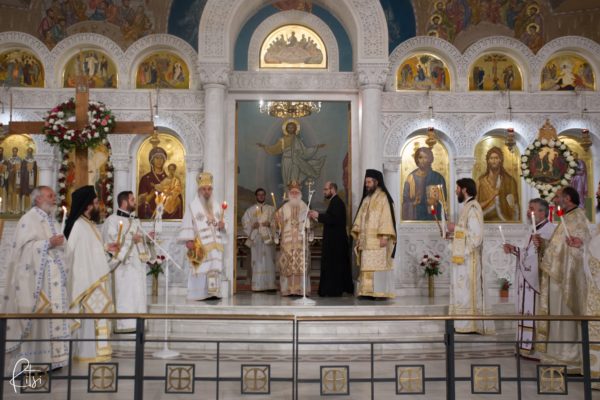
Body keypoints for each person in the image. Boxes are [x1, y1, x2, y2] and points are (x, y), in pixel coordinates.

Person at [2, 186, 70, 370]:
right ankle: (33, 363)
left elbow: (61, 248)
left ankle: (53, 361)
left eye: (54, 195)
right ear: (38, 199)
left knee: (51, 319)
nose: (55, 198)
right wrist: (48, 243)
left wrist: (60, 245)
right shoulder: (28, 219)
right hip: (37, 283)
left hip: (52, 281)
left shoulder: (51, 220)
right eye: (50, 196)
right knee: (38, 322)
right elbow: (23, 250)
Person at [538, 186, 591, 373]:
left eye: (557, 196)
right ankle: (557, 353)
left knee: (566, 315)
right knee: (557, 314)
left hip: (567, 277)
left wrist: (578, 245)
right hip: (556, 274)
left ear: (567, 198)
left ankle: (570, 357)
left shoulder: (579, 217)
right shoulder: (566, 218)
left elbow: (584, 246)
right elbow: (557, 246)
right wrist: (543, 244)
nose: (554, 199)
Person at [64, 185, 118, 362]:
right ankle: (87, 353)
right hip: (87, 282)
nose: (98, 206)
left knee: (99, 313)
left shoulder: (90, 225)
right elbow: (72, 254)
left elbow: (92, 249)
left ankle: (99, 352)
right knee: (90, 316)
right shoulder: (78, 226)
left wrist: (107, 248)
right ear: (87, 205)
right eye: (95, 202)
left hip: (96, 279)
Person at [503, 198, 555, 359]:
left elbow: (545, 256)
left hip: (537, 280)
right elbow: (528, 253)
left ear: (543, 212)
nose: (528, 211)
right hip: (527, 278)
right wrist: (514, 249)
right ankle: (524, 346)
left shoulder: (550, 231)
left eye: (532, 208)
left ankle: (534, 348)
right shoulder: (532, 230)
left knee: (535, 310)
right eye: (529, 208)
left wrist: (522, 252)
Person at [447, 178, 491, 334]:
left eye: (457, 188)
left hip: (469, 260)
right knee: (461, 292)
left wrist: (455, 228)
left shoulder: (473, 208)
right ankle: (461, 324)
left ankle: (470, 324)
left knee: (467, 292)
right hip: (462, 259)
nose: (456, 191)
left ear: (464, 189)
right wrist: (452, 234)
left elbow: (476, 237)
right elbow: (465, 232)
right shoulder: (467, 207)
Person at [102, 191, 147, 333]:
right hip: (122, 266)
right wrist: (130, 240)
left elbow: (140, 241)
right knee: (125, 294)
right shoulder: (112, 220)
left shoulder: (136, 220)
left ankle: (138, 323)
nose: (135, 202)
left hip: (136, 265)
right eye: (132, 199)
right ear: (124, 202)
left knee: (137, 293)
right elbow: (110, 242)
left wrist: (146, 238)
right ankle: (124, 324)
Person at [179, 172, 226, 300]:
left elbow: (222, 224)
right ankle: (199, 294)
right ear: (199, 190)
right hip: (199, 243)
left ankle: (213, 292)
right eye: (204, 189)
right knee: (201, 268)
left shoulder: (216, 206)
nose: (207, 192)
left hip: (215, 244)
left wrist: (223, 226)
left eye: (209, 189)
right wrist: (188, 240)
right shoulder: (192, 206)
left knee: (213, 268)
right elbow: (187, 222)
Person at [351, 169, 397, 299]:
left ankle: (379, 292)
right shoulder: (366, 199)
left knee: (378, 267)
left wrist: (385, 236)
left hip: (378, 240)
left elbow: (386, 218)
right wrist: (358, 234)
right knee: (366, 267)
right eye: (366, 182)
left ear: (376, 182)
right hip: (366, 241)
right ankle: (366, 292)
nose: (366, 185)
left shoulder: (383, 198)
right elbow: (360, 218)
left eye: (369, 182)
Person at [309, 181, 354, 296]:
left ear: (332, 189)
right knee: (332, 265)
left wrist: (318, 215)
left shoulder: (337, 202)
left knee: (334, 266)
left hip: (336, 243)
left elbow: (333, 219)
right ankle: (331, 290)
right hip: (334, 241)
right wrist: (317, 217)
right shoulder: (334, 201)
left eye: (326, 189)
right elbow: (331, 218)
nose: (324, 192)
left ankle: (333, 290)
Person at [257, 118, 326, 188]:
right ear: (286, 129)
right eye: (289, 127)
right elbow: (274, 149)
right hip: (286, 161)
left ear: (295, 129)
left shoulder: (297, 140)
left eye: (292, 127)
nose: (290, 129)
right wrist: (264, 146)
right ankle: (287, 193)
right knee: (287, 179)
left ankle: (295, 191)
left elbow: (304, 151)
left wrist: (316, 147)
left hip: (296, 161)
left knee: (294, 179)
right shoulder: (283, 140)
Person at [275, 181, 314, 296]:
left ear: (300, 194)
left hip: (301, 242)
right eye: (292, 193)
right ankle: (287, 289)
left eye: (296, 192)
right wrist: (277, 221)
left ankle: (301, 290)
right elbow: (277, 223)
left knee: (301, 265)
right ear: (289, 194)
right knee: (287, 265)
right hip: (287, 242)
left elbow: (310, 223)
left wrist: (309, 221)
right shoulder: (284, 207)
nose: (294, 195)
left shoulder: (304, 206)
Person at [242, 188, 277, 291]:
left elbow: (277, 222)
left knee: (269, 261)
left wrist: (270, 224)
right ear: (256, 196)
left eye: (262, 195)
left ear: (265, 196)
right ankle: (257, 285)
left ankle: (270, 285)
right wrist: (252, 225)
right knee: (257, 261)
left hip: (268, 239)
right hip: (256, 239)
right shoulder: (250, 210)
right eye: (259, 195)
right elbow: (245, 222)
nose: (261, 196)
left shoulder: (271, 209)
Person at [402, 147, 447, 220]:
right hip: (416, 217)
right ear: (417, 159)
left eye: (426, 157)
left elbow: (443, 202)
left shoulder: (438, 178)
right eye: (420, 157)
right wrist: (414, 203)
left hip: (433, 216)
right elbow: (405, 202)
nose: (423, 160)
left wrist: (434, 202)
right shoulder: (410, 178)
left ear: (430, 159)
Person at [477, 147, 520, 222]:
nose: (494, 161)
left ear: (500, 160)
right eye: (491, 158)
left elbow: (515, 205)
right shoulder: (481, 182)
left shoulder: (509, 181)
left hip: (505, 219)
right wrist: (492, 197)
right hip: (484, 219)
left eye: (496, 158)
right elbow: (476, 205)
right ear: (488, 161)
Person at [138, 146, 168, 219]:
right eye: (156, 158)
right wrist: (152, 193)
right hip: (150, 215)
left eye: (161, 158)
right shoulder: (145, 179)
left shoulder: (169, 179)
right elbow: (141, 202)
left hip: (166, 214)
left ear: (164, 160)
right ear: (152, 160)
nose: (159, 160)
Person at [19, 147, 37, 212]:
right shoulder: (24, 160)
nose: (29, 153)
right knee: (25, 192)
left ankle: (31, 208)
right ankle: (23, 208)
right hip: (25, 179)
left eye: (30, 152)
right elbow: (22, 169)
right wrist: (27, 169)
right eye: (28, 152)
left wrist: (32, 170)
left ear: (32, 152)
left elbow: (36, 170)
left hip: (32, 178)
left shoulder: (34, 160)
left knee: (31, 192)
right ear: (27, 152)